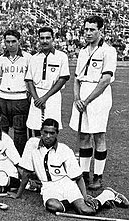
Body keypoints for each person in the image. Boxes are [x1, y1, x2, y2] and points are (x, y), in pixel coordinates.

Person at [11, 118, 129, 215]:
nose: (47, 136)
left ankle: (106, 195)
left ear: (57, 134)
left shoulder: (64, 150)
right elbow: (26, 173)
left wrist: (84, 197)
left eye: (52, 133)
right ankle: (75, 203)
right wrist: (18, 194)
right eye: (45, 132)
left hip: (67, 184)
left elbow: (78, 177)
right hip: (48, 187)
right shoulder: (31, 144)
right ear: (41, 131)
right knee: (52, 205)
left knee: (87, 210)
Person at [69, 15, 117, 190]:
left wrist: (87, 100)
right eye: (86, 29)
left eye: (92, 30)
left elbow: (105, 80)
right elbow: (76, 78)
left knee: (98, 135)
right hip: (81, 98)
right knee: (83, 135)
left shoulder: (108, 51)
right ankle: (83, 174)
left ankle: (97, 176)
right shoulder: (83, 51)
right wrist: (76, 99)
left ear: (100, 30)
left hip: (98, 98)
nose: (88, 33)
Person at [25, 27, 70, 136]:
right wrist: (36, 98)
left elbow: (63, 78)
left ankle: (51, 152)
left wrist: (45, 98)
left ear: (53, 39)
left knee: (52, 127)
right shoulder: (34, 57)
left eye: (48, 38)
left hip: (52, 96)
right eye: (42, 38)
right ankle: (36, 151)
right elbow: (29, 80)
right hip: (36, 95)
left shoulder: (61, 56)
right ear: (38, 39)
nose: (45, 41)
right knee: (35, 127)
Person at [0, 30, 32, 156]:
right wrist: (4, 88)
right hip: (3, 98)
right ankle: (2, 156)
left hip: (20, 98)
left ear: (19, 41)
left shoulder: (27, 57)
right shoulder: (1, 59)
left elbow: (30, 78)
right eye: (8, 42)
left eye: (13, 41)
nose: (10, 44)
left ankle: (19, 158)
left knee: (20, 131)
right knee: (1, 130)